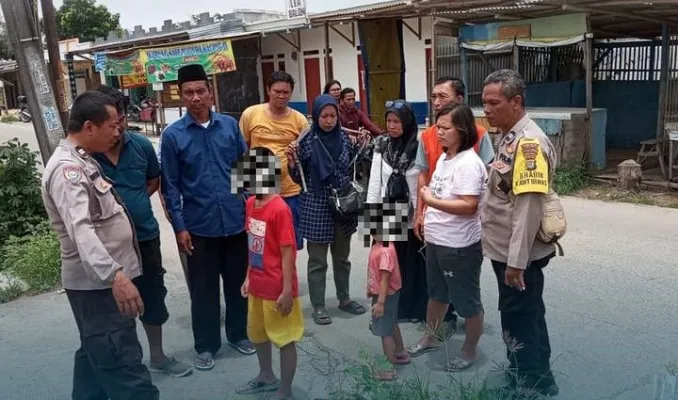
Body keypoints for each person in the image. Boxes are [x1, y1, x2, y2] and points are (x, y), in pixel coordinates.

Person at [40, 90, 159, 399]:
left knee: (95, 354)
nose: (118, 132)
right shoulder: (69, 171)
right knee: (123, 364)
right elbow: (82, 230)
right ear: (90, 127)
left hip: (98, 285)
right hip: (98, 287)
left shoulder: (81, 160)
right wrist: (115, 276)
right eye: (112, 126)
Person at [93, 85, 192, 377]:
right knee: (113, 304)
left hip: (146, 236)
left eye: (121, 118)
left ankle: (158, 357)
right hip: (107, 245)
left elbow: (153, 180)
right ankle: (123, 363)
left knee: (152, 294)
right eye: (112, 121)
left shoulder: (141, 145)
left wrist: (132, 204)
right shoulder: (87, 155)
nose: (119, 126)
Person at [161, 64, 254, 372]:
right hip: (198, 227)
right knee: (203, 291)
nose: (196, 97)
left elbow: (249, 173)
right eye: (189, 92)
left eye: (201, 91)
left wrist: (256, 214)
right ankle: (206, 345)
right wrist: (179, 227)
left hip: (235, 222)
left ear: (210, 93)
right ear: (181, 97)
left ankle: (239, 334)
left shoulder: (229, 126)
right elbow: (171, 187)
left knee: (239, 285)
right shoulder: (173, 136)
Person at [481, 69, 559, 397]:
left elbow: (527, 210)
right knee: (529, 312)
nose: (486, 110)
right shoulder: (510, 134)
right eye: (483, 103)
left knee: (517, 318)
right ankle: (540, 377)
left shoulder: (528, 144)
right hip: (508, 250)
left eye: (494, 103)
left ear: (516, 102)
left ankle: (525, 382)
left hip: (518, 256)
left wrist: (516, 263)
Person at [408, 103, 486, 373]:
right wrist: (425, 210)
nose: (438, 133)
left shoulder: (468, 164)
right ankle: (431, 336)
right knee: (437, 295)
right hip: (437, 241)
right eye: (437, 127)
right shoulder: (444, 158)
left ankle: (469, 350)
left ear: (462, 130)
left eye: (445, 128)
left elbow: (469, 206)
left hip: (459, 247)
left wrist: (431, 201)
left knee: (467, 302)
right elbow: (437, 192)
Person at [413, 76, 494, 329]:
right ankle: (433, 325)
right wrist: (420, 213)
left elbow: (484, 183)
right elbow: (422, 177)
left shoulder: (476, 137)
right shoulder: (425, 136)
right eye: (433, 98)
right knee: (427, 283)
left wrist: (483, 218)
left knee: (461, 288)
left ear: (459, 101)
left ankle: (461, 333)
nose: (436, 102)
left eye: (442, 97)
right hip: (424, 223)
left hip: (458, 232)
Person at [285, 94, 367, 326]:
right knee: (317, 260)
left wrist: (362, 145)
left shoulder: (345, 138)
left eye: (332, 116)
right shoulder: (306, 141)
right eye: (324, 116)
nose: (329, 120)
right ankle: (319, 305)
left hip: (342, 206)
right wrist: (292, 162)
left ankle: (344, 299)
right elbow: (297, 178)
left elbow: (354, 167)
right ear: (316, 116)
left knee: (342, 258)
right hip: (317, 205)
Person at [236, 147, 304, 400]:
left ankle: (285, 390)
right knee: (257, 334)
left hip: (278, 288)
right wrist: (247, 276)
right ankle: (266, 375)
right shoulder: (252, 203)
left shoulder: (279, 209)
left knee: (285, 340)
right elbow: (253, 244)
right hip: (257, 284)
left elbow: (288, 253)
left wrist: (287, 291)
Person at [366, 100, 426, 323]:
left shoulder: (419, 146)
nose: (391, 126)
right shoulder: (381, 144)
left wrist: (418, 216)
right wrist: (372, 219)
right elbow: (374, 183)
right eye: (389, 121)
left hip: (410, 213)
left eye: (396, 121)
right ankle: (391, 307)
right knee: (387, 264)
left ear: (407, 122)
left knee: (409, 264)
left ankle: (412, 308)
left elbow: (419, 185)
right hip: (387, 212)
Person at [239, 71, 309, 250]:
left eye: (286, 92)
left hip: (290, 191)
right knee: (259, 242)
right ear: (268, 90)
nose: (281, 95)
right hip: (258, 190)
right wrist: (242, 185)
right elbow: (242, 148)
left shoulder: (299, 120)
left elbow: (306, 155)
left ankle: (287, 277)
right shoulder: (251, 114)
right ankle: (264, 276)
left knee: (289, 243)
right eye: (277, 91)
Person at [362, 202, 409, 381]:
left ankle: (388, 369)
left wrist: (380, 302)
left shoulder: (385, 251)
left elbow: (385, 278)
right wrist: (370, 289)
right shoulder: (379, 245)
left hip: (386, 296)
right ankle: (400, 352)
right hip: (385, 294)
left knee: (384, 332)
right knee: (392, 323)